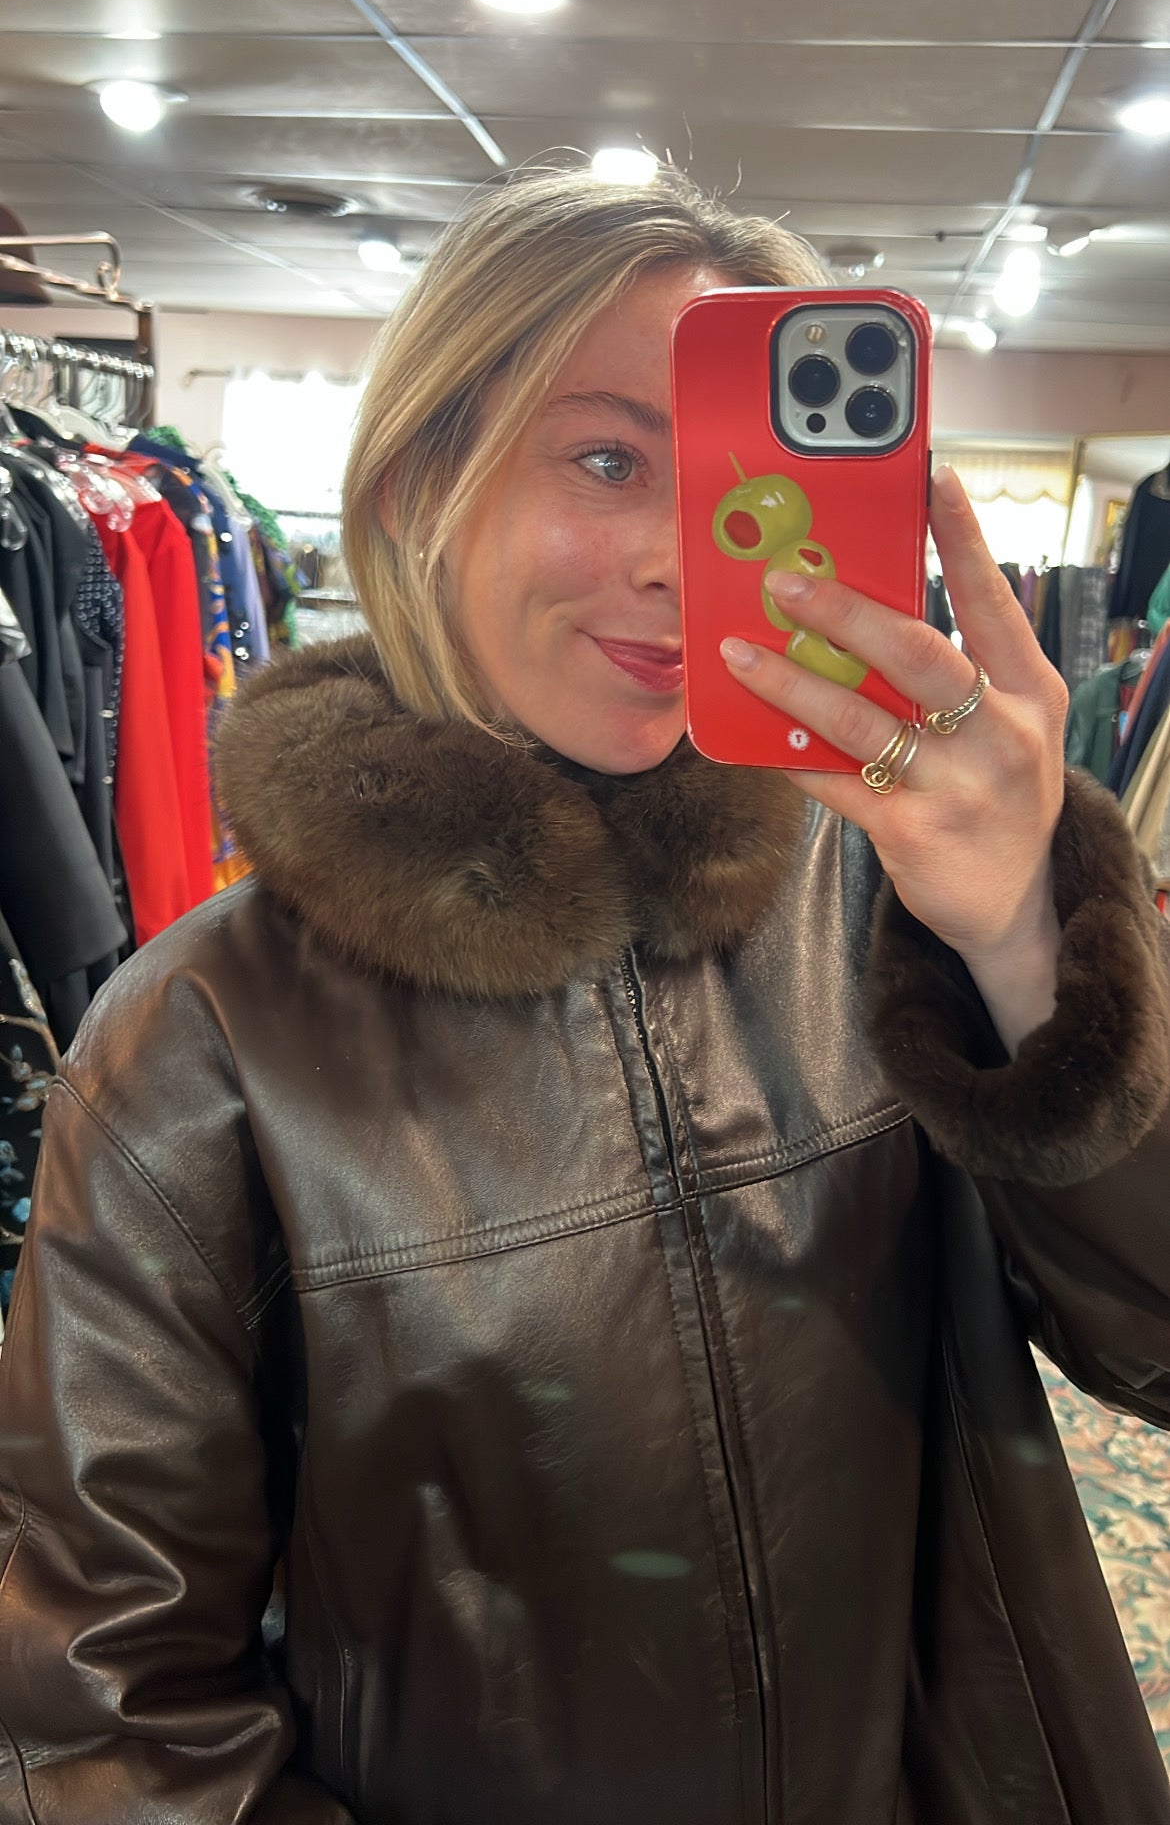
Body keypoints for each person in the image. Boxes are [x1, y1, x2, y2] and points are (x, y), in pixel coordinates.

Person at [0, 167, 1168, 1825]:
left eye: (738, 486)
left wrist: (1027, 948)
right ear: (420, 484)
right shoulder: (197, 1044)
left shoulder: (891, 898)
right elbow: (100, 1720)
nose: (684, 565)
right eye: (607, 461)